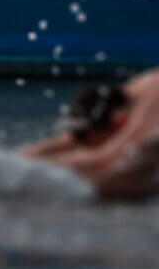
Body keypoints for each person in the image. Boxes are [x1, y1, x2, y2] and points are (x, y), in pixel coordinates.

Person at [21, 67, 159, 198]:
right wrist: (16, 162)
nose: (84, 146)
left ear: (119, 122)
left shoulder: (150, 109)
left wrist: (30, 172)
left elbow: (105, 161)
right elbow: (67, 141)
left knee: (126, 172)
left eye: (89, 143)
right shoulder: (126, 99)